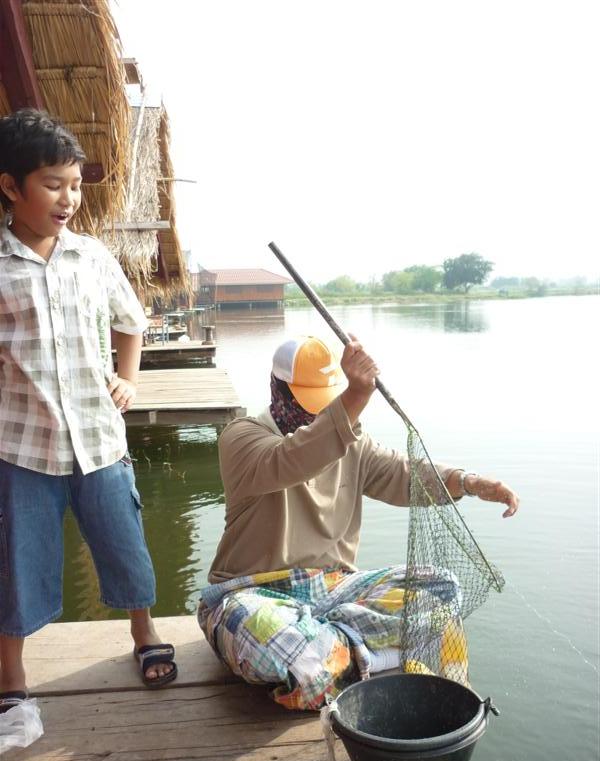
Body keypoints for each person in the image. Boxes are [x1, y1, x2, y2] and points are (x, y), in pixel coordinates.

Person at [198, 335, 519, 710]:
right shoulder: (242, 437)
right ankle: (362, 650)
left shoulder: (349, 440)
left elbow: (404, 473)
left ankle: (332, 651)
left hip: (334, 589)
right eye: (310, 403)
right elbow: (291, 459)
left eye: (329, 401)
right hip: (253, 591)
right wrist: (355, 399)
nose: (322, 412)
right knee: (267, 635)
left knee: (441, 589)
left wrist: (468, 482)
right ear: (279, 390)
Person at [0, 109, 177, 714]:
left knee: (124, 541)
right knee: (17, 559)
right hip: (23, 448)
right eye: (52, 184)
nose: (68, 198)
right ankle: (12, 674)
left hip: (101, 440)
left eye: (75, 185)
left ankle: (143, 633)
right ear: (10, 186)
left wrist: (127, 380)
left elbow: (133, 323)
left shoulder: (93, 257)